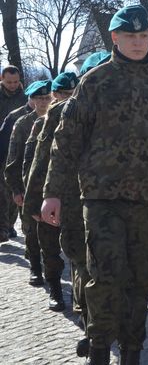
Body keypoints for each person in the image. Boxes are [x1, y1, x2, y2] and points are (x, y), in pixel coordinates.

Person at [41, 4, 148, 365]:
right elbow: (67, 141)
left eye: (144, 36)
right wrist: (52, 193)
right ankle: (98, 350)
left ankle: (131, 353)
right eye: (131, 36)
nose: (139, 42)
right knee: (105, 278)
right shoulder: (95, 82)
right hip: (102, 199)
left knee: (140, 284)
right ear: (115, 37)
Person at [20, 72, 79, 313]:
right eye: (63, 94)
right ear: (55, 95)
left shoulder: (84, 117)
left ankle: (80, 298)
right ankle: (55, 287)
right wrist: (33, 203)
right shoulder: (43, 122)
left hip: (76, 195)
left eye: (72, 94)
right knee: (50, 247)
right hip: (48, 193)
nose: (68, 98)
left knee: (78, 249)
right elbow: (33, 164)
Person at [4, 80, 52, 285]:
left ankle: (53, 273)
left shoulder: (58, 119)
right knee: (31, 230)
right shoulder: (23, 123)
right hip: (29, 185)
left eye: (47, 97)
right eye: (39, 98)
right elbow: (13, 160)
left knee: (51, 232)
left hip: (53, 184)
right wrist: (16, 189)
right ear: (31, 99)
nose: (43, 102)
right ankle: (35, 267)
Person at [0, 83, 35, 242]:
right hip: (7, 155)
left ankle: (9, 226)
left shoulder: (23, 97)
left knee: (15, 196)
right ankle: (3, 228)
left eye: (15, 81)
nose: (13, 85)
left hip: (25, 158)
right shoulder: (14, 115)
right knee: (4, 194)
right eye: (9, 82)